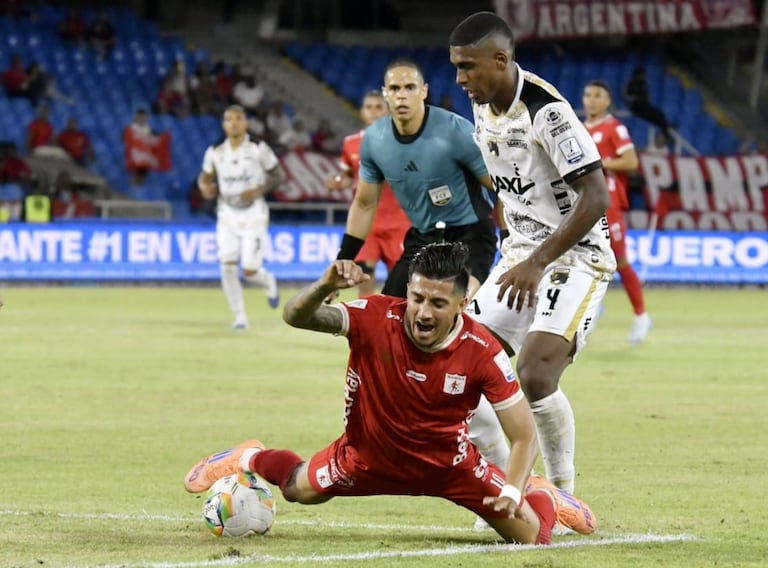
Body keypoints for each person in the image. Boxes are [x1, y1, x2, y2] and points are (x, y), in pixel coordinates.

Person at [183, 243, 597, 544]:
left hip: (450, 469)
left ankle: (541, 493)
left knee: (531, 538)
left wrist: (511, 490)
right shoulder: (375, 316)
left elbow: (522, 434)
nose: (422, 311)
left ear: (462, 304)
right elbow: (295, 315)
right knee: (294, 488)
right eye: (416, 298)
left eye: (438, 302)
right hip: (364, 458)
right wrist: (324, 282)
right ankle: (248, 456)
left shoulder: (482, 350)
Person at [449, 12, 616, 497]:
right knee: (459, 364)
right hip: (520, 252)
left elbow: (596, 197)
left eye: (468, 67)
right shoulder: (485, 104)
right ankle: (513, 486)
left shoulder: (548, 112)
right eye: (456, 68)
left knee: (536, 373)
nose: (460, 79)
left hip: (575, 256)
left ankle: (562, 499)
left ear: (500, 60)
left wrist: (538, 261)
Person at [336, 59, 498, 300]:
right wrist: (344, 258)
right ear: (386, 95)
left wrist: (510, 239)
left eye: (410, 87)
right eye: (394, 89)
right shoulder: (373, 141)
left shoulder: (455, 131)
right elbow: (364, 204)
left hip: (471, 235)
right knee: (388, 313)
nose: (402, 96)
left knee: (460, 304)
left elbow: (502, 187)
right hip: (423, 236)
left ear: (424, 91)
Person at [198, 105, 285, 329]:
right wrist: (204, 187)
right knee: (226, 265)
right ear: (224, 124)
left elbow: (278, 174)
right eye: (229, 119)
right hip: (226, 213)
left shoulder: (258, 148)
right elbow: (205, 177)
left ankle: (268, 281)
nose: (234, 123)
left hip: (254, 213)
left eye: (238, 119)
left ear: (245, 123)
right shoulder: (215, 151)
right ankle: (240, 317)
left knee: (249, 268)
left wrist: (257, 191)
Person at [583, 80, 651, 343]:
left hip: (610, 203)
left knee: (620, 261)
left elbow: (631, 161)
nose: (591, 100)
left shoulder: (614, 128)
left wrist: (601, 163)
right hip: (583, 203)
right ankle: (593, 307)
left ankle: (642, 316)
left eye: (598, 95)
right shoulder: (577, 130)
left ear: (608, 100)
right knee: (584, 258)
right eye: (588, 95)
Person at [326, 89, 410, 297]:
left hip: (399, 221)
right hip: (366, 222)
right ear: (362, 111)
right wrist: (339, 181)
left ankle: (396, 324)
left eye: (378, 107)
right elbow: (348, 174)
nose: (373, 112)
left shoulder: (404, 142)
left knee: (400, 281)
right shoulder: (351, 143)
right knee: (365, 276)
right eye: (369, 107)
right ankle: (368, 324)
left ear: (388, 111)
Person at [622, 66, 673, 138]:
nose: (642, 76)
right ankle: (666, 127)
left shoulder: (644, 84)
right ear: (636, 75)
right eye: (641, 75)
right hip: (635, 106)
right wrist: (633, 98)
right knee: (652, 116)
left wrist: (644, 99)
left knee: (659, 113)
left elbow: (647, 96)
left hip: (644, 105)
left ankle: (665, 128)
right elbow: (624, 96)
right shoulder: (630, 83)